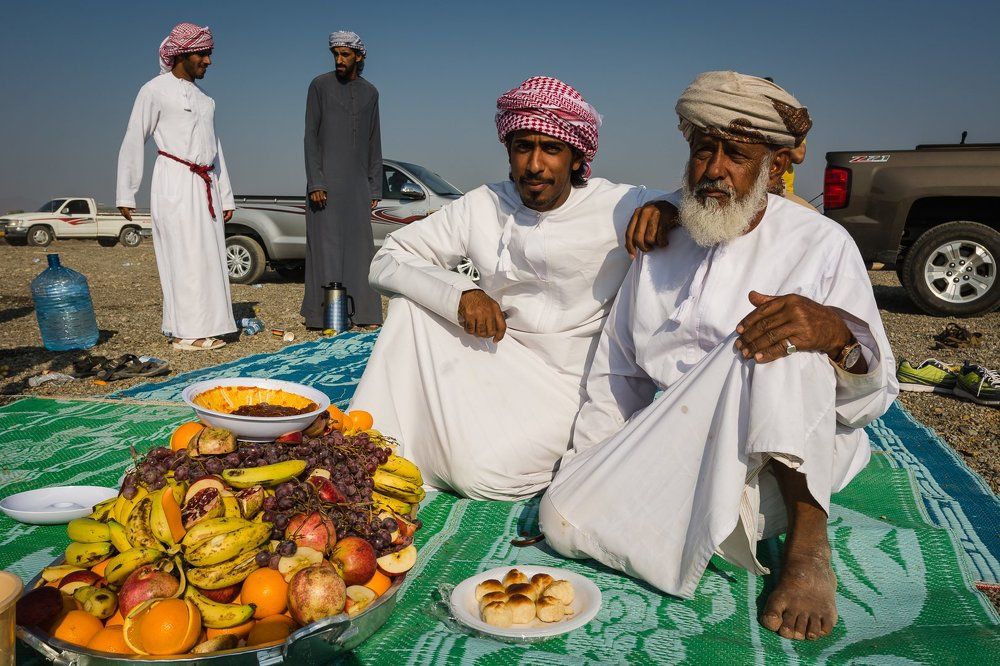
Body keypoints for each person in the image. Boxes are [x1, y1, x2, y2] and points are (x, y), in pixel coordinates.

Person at [540, 72, 897, 642]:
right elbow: (619, 372)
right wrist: (591, 465)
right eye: (704, 150)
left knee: (780, 332)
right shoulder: (662, 239)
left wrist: (835, 333)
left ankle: (808, 543)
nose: (713, 169)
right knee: (562, 520)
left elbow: (871, 402)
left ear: (775, 166)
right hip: (681, 442)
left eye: (736, 154)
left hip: (786, 465)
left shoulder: (820, 243)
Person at [349, 76, 673, 500]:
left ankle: (434, 450)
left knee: (480, 474)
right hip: (498, 355)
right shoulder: (483, 203)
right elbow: (388, 258)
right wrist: (461, 293)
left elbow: (702, 201)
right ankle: (368, 453)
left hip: (571, 386)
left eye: (551, 149)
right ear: (509, 150)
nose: (535, 165)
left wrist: (670, 209)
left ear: (576, 158)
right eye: (524, 147)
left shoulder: (621, 204)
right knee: (412, 309)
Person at [116, 22, 236, 350]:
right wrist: (127, 190)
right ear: (182, 54)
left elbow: (216, 150)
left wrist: (225, 196)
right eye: (203, 54)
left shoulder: (206, 99)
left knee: (208, 256)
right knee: (182, 253)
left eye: (210, 54)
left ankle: (211, 325)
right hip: (174, 180)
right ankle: (185, 332)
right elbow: (134, 136)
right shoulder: (154, 90)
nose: (208, 61)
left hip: (206, 184)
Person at [302, 30, 383, 329]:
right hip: (325, 185)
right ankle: (323, 317)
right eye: (335, 54)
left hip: (358, 184)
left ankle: (366, 315)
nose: (339, 60)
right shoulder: (319, 86)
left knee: (361, 249)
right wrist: (316, 183)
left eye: (345, 54)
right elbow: (310, 137)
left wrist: (375, 185)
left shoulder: (371, 93)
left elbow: (375, 141)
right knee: (326, 249)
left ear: (359, 57)